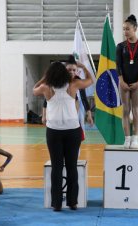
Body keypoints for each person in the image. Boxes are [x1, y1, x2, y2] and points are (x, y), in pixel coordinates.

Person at [33, 61, 93, 211]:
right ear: (66, 74)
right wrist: (84, 68)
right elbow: (91, 81)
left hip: (54, 131)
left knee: (57, 167)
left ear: (50, 75)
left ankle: (57, 203)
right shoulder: (73, 85)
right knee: (72, 166)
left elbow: (34, 89)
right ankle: (72, 202)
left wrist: (44, 77)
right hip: (72, 130)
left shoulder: (46, 87)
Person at [116, 14, 138, 149]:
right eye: (123, 29)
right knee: (125, 110)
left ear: (135, 28)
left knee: (136, 110)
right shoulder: (120, 46)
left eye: (127, 29)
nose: (125, 32)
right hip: (123, 81)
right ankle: (127, 138)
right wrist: (121, 81)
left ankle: (135, 138)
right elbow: (118, 65)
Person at [41, 56, 94, 128]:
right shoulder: (57, 79)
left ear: (77, 71)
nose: (71, 72)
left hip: (73, 106)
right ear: (64, 70)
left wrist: (89, 114)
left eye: (74, 70)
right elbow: (47, 98)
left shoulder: (77, 80)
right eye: (69, 70)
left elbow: (83, 97)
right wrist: (44, 115)